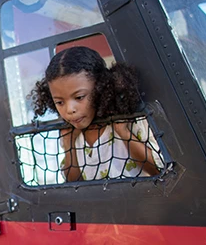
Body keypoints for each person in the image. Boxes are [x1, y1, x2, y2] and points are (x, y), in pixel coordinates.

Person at [30, 46, 162, 182]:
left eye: (79, 97)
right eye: (59, 102)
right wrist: (69, 144)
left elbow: (158, 171)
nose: (69, 110)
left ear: (101, 87)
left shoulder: (132, 121)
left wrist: (124, 133)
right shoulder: (72, 133)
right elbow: (73, 181)